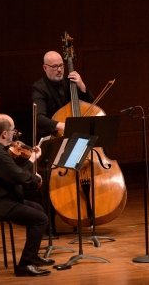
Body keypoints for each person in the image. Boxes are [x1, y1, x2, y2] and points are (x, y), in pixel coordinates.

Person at [0, 114, 53, 277]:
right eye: (13, 131)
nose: (15, 134)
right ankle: (24, 265)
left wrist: (32, 159)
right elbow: (18, 177)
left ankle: (32, 256)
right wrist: (36, 178)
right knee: (40, 219)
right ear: (5, 133)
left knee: (38, 209)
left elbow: (14, 172)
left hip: (5, 199)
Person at [31, 51, 94, 237]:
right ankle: (48, 225)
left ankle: (85, 215)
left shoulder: (70, 83)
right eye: (54, 66)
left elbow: (90, 106)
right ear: (45, 68)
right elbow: (39, 117)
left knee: (85, 169)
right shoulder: (39, 88)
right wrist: (63, 126)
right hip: (54, 140)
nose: (59, 69)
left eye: (61, 65)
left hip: (74, 142)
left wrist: (82, 86)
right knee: (50, 176)